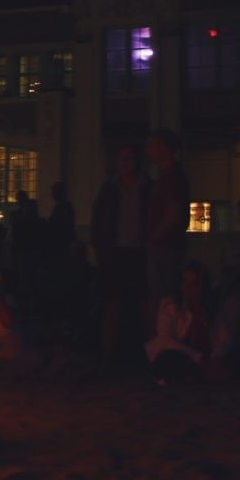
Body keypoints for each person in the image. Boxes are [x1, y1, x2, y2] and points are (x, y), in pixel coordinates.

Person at [89, 143, 151, 365]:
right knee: (114, 304)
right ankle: (110, 354)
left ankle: (148, 352)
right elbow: (97, 221)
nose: (125, 163)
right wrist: (101, 250)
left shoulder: (146, 188)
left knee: (143, 303)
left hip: (139, 253)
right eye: (122, 158)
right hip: (115, 254)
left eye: (129, 158)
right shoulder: (109, 189)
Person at [144, 128, 191, 339]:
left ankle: (165, 344)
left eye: (152, 145)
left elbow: (172, 216)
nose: (149, 150)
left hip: (165, 247)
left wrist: (152, 239)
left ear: (163, 148)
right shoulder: (169, 176)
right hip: (167, 245)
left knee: (164, 300)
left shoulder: (171, 177)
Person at [145, 261, 214, 385]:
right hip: (180, 354)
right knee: (167, 357)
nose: (187, 288)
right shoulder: (170, 305)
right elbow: (165, 338)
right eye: (184, 282)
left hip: (203, 356)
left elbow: (223, 337)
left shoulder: (210, 307)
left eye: (193, 284)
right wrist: (198, 357)